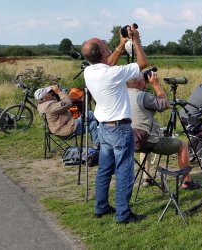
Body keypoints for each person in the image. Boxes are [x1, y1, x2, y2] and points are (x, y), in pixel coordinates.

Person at [82, 24, 148, 224]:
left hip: (104, 129)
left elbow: (107, 64)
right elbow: (142, 63)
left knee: (104, 170)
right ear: (102, 52)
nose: (107, 44)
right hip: (120, 129)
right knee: (124, 171)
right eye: (104, 44)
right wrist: (135, 40)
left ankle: (101, 207)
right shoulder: (112, 73)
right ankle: (123, 214)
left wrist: (121, 45)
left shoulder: (89, 72)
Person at [127, 72, 202, 190]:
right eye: (143, 78)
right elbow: (165, 105)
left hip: (131, 140)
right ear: (139, 81)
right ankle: (186, 181)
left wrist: (143, 85)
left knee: (145, 141)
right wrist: (156, 85)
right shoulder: (143, 96)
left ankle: (146, 178)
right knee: (182, 146)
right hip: (147, 140)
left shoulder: (121, 94)